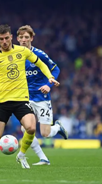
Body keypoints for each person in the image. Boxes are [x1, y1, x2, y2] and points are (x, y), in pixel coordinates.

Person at [0, 24, 60, 169]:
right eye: (1, 39)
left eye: (7, 38)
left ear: (11, 37)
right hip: (3, 101)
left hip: (21, 100)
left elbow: (41, 64)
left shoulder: (23, 51)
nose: (5, 41)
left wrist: (49, 77)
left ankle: (21, 155)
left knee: (31, 128)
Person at [16, 25, 68, 165]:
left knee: (45, 133)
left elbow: (55, 69)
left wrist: (48, 85)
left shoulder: (39, 54)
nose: (24, 40)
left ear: (32, 38)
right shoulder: (14, 56)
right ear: (17, 39)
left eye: (27, 37)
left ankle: (57, 128)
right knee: (26, 128)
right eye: (21, 37)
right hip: (25, 98)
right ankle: (43, 158)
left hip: (41, 97)